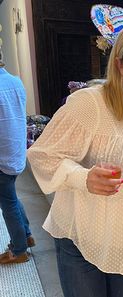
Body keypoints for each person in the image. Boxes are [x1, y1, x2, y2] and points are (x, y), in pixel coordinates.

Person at [27, 21, 123, 297]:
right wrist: (83, 178)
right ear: (119, 65)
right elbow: (42, 155)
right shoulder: (91, 103)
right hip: (84, 241)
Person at [0, 49, 35, 264]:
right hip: (15, 152)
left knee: (8, 202)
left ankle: (19, 248)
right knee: (11, 197)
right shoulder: (15, 81)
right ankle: (27, 235)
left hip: (2, 157)